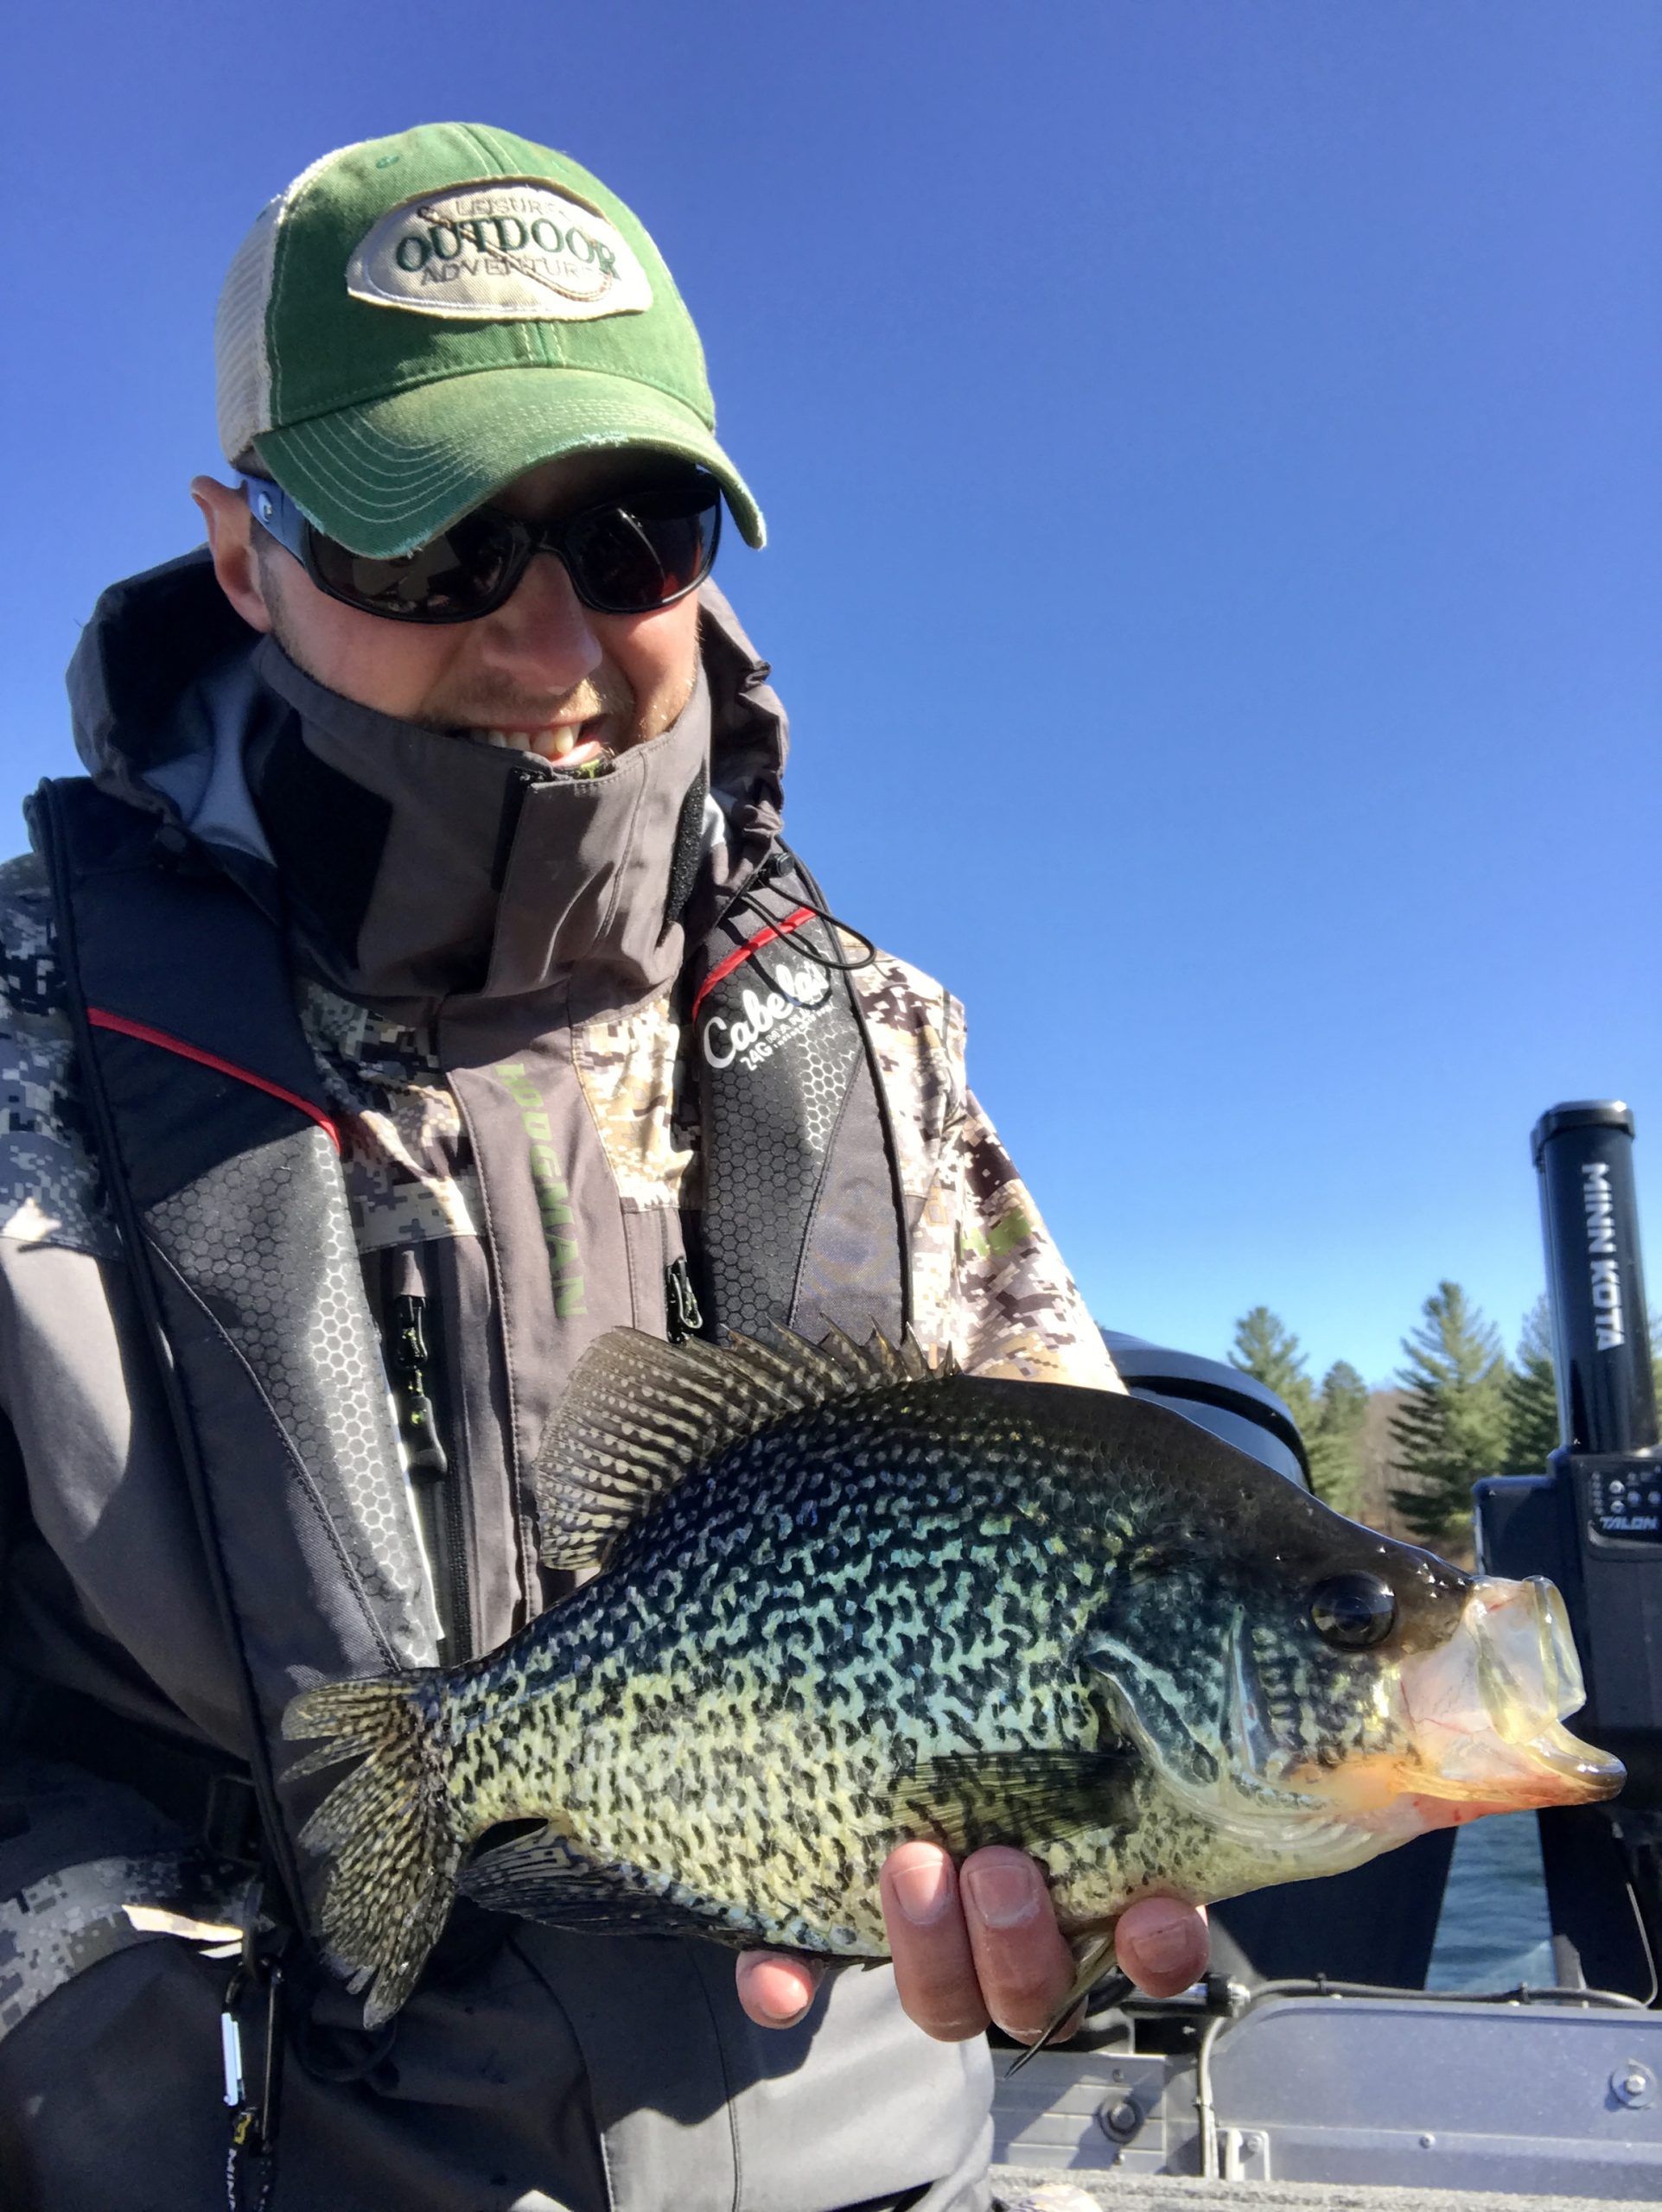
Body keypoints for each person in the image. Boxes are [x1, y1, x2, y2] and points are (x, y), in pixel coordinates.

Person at [0, 123, 1207, 2210]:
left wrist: (1087, 1901)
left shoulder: (881, 1040)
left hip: (868, 2154)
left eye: (632, 531)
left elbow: (1074, 1559)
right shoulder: (31, 1024)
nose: (551, 645)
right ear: (240, 549)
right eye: (430, 542)